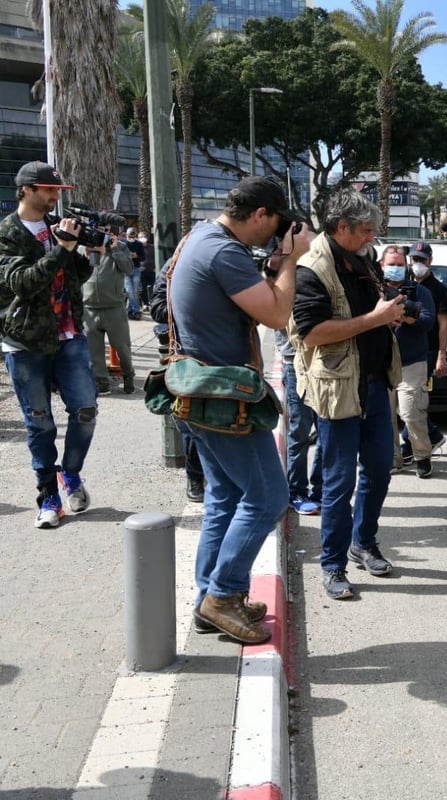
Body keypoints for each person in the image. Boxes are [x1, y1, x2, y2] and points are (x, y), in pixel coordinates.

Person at [170, 175, 310, 643]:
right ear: (259, 215)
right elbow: (275, 314)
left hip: (201, 392)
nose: (273, 236)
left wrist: (274, 260)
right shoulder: (224, 252)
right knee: (269, 498)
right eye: (273, 228)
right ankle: (223, 595)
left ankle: (208, 599)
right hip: (224, 397)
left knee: (225, 498)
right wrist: (289, 258)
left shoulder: (200, 237)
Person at [290, 188, 406, 600]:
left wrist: (389, 314)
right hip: (338, 390)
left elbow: (369, 314)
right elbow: (312, 333)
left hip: (375, 384)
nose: (371, 239)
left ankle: (364, 542)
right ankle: (333, 565)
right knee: (338, 484)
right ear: (343, 227)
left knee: (379, 470)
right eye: (366, 232)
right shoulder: (312, 268)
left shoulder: (362, 259)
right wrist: (374, 319)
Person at [0, 161, 98, 528]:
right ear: (27, 190)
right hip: (25, 341)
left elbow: (77, 274)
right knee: (39, 424)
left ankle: (69, 472)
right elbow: (23, 282)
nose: (55, 195)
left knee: (86, 410)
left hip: (69, 333)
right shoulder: (7, 233)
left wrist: (87, 248)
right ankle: (48, 497)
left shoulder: (58, 228)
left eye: (58, 190)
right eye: (49, 190)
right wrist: (60, 249)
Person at [150, 268, 206, 503]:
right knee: (188, 418)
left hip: (219, 352)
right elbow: (157, 308)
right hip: (185, 355)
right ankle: (195, 475)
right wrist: (192, 306)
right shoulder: (174, 266)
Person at [381, 249, 437, 478]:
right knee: (385, 416)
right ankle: (393, 458)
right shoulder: (376, 291)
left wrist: (407, 317)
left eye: (400, 263)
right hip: (382, 362)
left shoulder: (419, 292)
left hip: (412, 362)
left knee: (411, 412)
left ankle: (422, 456)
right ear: (382, 265)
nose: (396, 267)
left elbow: (428, 321)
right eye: (391, 263)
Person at [401, 240, 447, 465]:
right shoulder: (404, 285)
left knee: (414, 403)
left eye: (422, 259)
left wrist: (441, 355)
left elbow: (442, 324)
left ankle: (420, 444)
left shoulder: (437, 289)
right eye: (414, 259)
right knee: (408, 404)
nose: (418, 263)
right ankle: (413, 444)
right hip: (403, 352)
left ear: (430, 260)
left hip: (426, 352)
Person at [82, 224, 136, 395]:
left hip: (114, 307)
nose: (101, 233)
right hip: (89, 308)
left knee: (122, 347)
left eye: (105, 230)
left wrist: (115, 250)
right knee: (94, 351)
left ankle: (128, 376)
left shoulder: (120, 247)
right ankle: (101, 382)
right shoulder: (85, 248)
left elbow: (128, 268)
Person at [276, 322, 321, 515]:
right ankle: (296, 491)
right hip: (295, 362)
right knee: (300, 431)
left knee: (326, 431)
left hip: (324, 360)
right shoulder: (285, 291)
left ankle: (321, 490)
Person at [123, 227, 145, 311]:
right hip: (126, 269)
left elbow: (143, 257)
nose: (131, 238)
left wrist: (136, 256)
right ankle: (135, 309)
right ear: (126, 235)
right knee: (129, 291)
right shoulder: (123, 243)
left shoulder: (139, 244)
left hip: (136, 269)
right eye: (129, 236)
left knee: (135, 291)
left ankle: (130, 308)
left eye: (133, 236)